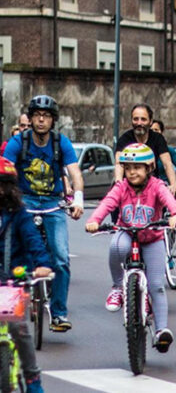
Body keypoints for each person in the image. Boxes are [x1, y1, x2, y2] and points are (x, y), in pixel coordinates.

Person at [84, 144, 176, 352]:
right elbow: (107, 204)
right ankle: (118, 287)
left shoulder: (156, 186)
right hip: (126, 232)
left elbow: (169, 200)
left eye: (138, 167)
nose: (132, 172)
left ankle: (161, 330)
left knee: (156, 285)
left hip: (152, 238)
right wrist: (94, 220)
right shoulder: (121, 187)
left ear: (149, 168)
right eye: (128, 168)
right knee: (116, 248)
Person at [2, 95, 84, 332]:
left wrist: (77, 199)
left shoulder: (61, 143)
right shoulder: (19, 142)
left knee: (60, 257)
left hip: (52, 203)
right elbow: (6, 170)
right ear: (31, 117)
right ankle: (12, 304)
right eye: (36, 115)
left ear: (53, 120)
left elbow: (75, 173)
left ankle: (58, 313)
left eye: (46, 116)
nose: (40, 119)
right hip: (24, 202)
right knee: (13, 254)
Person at [0, 157, 52, 393]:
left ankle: (32, 378)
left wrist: (42, 264)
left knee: (19, 330)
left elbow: (32, 239)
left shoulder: (19, 214)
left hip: (14, 282)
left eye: (3, 185)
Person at [114, 104, 176, 198]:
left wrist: (173, 184)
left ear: (150, 121)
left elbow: (167, 163)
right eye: (136, 119)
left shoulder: (158, 138)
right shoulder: (124, 139)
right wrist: (118, 183)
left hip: (151, 185)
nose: (139, 123)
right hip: (129, 184)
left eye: (143, 119)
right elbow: (119, 163)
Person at [150, 120, 176, 192]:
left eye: (156, 130)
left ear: (161, 132)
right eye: (151, 130)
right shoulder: (143, 151)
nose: (154, 133)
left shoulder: (168, 151)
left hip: (165, 188)